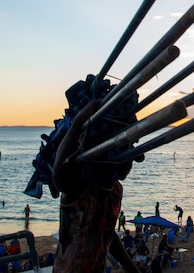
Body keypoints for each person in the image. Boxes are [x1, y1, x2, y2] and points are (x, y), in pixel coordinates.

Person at [52, 100, 140, 273]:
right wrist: (78, 123)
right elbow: (58, 174)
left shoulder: (115, 191)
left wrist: (132, 269)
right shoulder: (81, 187)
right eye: (127, 154)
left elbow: (106, 231)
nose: (131, 162)